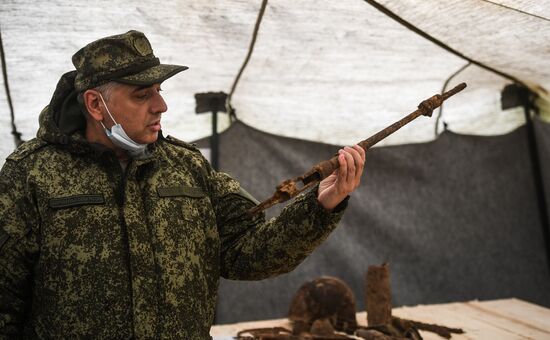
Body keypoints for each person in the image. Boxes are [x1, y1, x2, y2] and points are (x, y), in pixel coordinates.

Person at [0, 30, 365, 339]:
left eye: (158, 90)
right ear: (96, 105)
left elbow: (248, 253)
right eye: (142, 95)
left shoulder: (187, 167)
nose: (161, 105)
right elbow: (5, 299)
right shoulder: (32, 174)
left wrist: (321, 205)